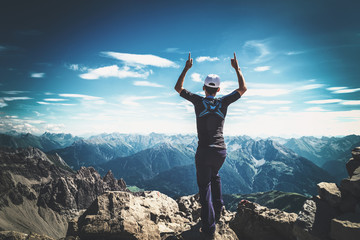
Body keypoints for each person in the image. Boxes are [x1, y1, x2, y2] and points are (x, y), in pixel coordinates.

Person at [174, 52, 247, 239]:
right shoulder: (224, 102)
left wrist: (186, 68)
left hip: (204, 151)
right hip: (221, 151)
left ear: (203, 87)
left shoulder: (198, 101)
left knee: (204, 187)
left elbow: (178, 87)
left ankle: (209, 228)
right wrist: (237, 69)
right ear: (219, 89)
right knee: (215, 176)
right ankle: (219, 208)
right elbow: (243, 88)